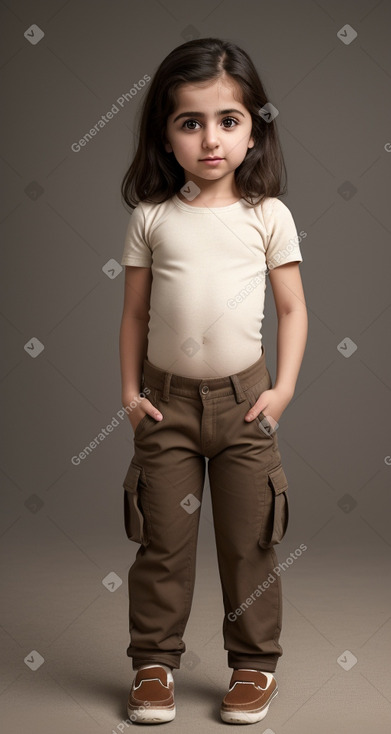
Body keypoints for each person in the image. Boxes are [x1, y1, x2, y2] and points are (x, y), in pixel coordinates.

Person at [119, 37, 308, 726]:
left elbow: (291, 308)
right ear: (164, 135)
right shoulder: (152, 219)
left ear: (254, 128)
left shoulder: (267, 215)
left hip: (244, 406)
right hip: (164, 407)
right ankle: (152, 665)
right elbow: (134, 314)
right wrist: (129, 396)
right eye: (189, 122)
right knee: (161, 543)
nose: (209, 139)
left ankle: (253, 667)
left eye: (227, 120)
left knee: (249, 541)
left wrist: (281, 390)